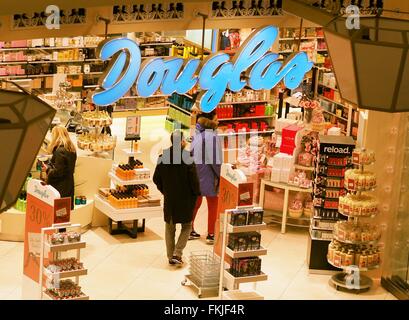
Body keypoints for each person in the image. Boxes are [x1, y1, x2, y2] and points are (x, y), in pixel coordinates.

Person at [153, 130, 201, 265]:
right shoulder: (188, 158)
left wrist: (164, 191)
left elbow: (156, 178)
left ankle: (170, 256)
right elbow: (194, 181)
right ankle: (177, 253)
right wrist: (196, 193)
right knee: (186, 226)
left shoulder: (162, 157)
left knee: (170, 227)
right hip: (185, 199)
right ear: (181, 142)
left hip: (170, 199)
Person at [190, 111, 223, 244]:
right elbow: (215, 160)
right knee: (213, 203)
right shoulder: (211, 137)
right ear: (210, 121)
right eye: (216, 118)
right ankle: (211, 233)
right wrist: (220, 174)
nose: (218, 120)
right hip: (208, 174)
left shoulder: (197, 133)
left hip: (196, 173)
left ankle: (189, 229)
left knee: (196, 202)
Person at [45, 126, 77, 210]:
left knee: (57, 212)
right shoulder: (72, 149)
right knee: (64, 213)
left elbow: (58, 172)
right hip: (68, 185)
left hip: (59, 188)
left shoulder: (59, 151)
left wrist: (47, 169)